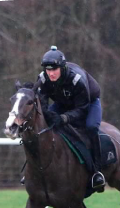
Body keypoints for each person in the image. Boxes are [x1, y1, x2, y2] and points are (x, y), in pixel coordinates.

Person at [36, 45, 105, 189]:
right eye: (48, 70)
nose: (51, 74)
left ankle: (97, 172)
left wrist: (64, 119)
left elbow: (82, 109)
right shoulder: (42, 79)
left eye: (54, 69)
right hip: (62, 103)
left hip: (88, 104)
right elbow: (42, 106)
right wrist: (48, 116)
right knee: (42, 124)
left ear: (62, 67)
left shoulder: (76, 80)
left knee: (91, 128)